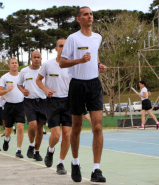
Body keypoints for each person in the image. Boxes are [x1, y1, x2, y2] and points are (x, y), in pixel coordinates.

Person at [60, 7, 107, 183]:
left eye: (91, 14)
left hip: (94, 84)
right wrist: (79, 60)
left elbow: (94, 56)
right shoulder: (73, 38)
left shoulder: (98, 37)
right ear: (79, 19)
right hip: (77, 85)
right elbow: (63, 63)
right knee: (77, 126)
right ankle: (75, 162)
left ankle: (96, 169)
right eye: (86, 14)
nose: (89, 16)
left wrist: (99, 64)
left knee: (97, 127)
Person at [36, 38, 71, 175]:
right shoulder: (47, 65)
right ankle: (50, 150)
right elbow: (38, 80)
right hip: (52, 102)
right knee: (56, 135)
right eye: (61, 46)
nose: (63, 48)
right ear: (56, 48)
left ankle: (60, 163)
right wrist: (46, 90)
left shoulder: (72, 65)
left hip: (68, 102)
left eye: (65, 46)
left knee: (67, 135)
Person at [18, 51, 46, 161]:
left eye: (38, 57)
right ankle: (31, 144)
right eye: (34, 57)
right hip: (29, 101)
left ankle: (36, 151)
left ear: (41, 59)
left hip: (42, 102)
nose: (36, 59)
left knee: (40, 127)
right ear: (31, 58)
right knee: (32, 125)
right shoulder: (24, 71)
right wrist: (22, 91)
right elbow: (19, 84)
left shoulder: (44, 70)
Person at [0, 58, 25, 158]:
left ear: (18, 65)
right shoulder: (4, 77)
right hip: (9, 106)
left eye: (16, 63)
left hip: (20, 105)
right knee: (8, 130)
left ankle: (18, 150)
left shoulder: (22, 76)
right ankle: (6, 139)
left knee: (20, 127)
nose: (14, 64)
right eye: (12, 63)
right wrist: (7, 90)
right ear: (9, 65)